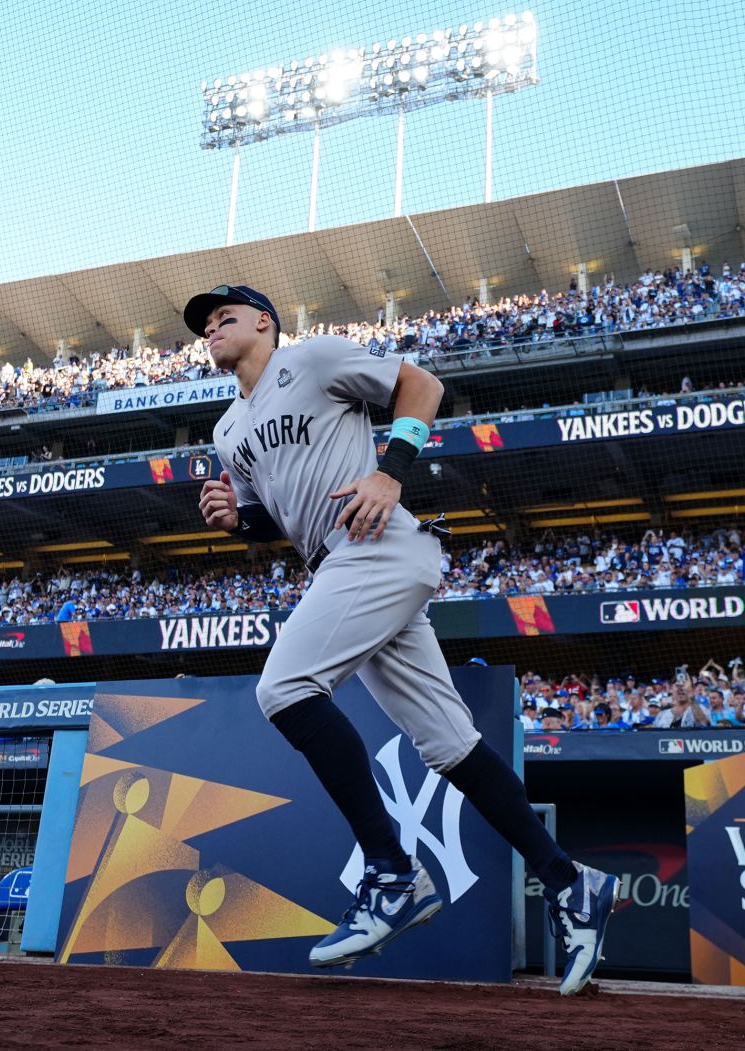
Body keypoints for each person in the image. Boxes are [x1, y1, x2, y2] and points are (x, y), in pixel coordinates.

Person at [190, 284, 614, 995]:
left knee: (286, 688)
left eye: (224, 313)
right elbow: (281, 518)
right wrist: (239, 522)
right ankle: (571, 882)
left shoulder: (315, 359)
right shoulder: (227, 431)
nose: (211, 325)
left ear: (266, 320)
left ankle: (391, 873)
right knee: (449, 743)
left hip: (378, 546)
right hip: (339, 562)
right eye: (204, 324)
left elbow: (421, 384)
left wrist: (391, 471)